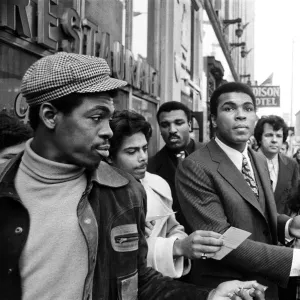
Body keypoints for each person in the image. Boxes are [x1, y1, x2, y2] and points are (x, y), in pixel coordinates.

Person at [0, 52, 266, 300]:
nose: (108, 131)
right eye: (96, 117)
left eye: (110, 118)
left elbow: (139, 281)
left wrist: (207, 296)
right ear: (49, 116)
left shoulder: (124, 192)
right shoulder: (6, 186)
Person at [175, 81, 300, 300]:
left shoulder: (258, 159)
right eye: (229, 108)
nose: (240, 115)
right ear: (213, 119)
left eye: (248, 108)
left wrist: (288, 226)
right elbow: (221, 239)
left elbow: (257, 216)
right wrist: (294, 260)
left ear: (255, 117)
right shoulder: (195, 167)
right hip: (228, 290)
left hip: (266, 287)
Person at [108, 110, 224, 278]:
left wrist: (178, 243)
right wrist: (176, 247)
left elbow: (173, 227)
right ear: (110, 156)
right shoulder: (100, 197)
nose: (142, 157)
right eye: (131, 151)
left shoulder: (158, 184)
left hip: (162, 282)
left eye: (144, 148)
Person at [147, 101, 202, 228]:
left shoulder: (213, 156)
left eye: (178, 123)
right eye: (165, 125)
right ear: (160, 129)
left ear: (189, 125)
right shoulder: (150, 167)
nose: (172, 130)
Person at [254, 115, 299, 216]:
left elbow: (294, 200)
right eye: (269, 135)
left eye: (279, 136)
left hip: (281, 227)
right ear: (259, 138)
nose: (274, 140)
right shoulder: (246, 161)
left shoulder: (292, 165)